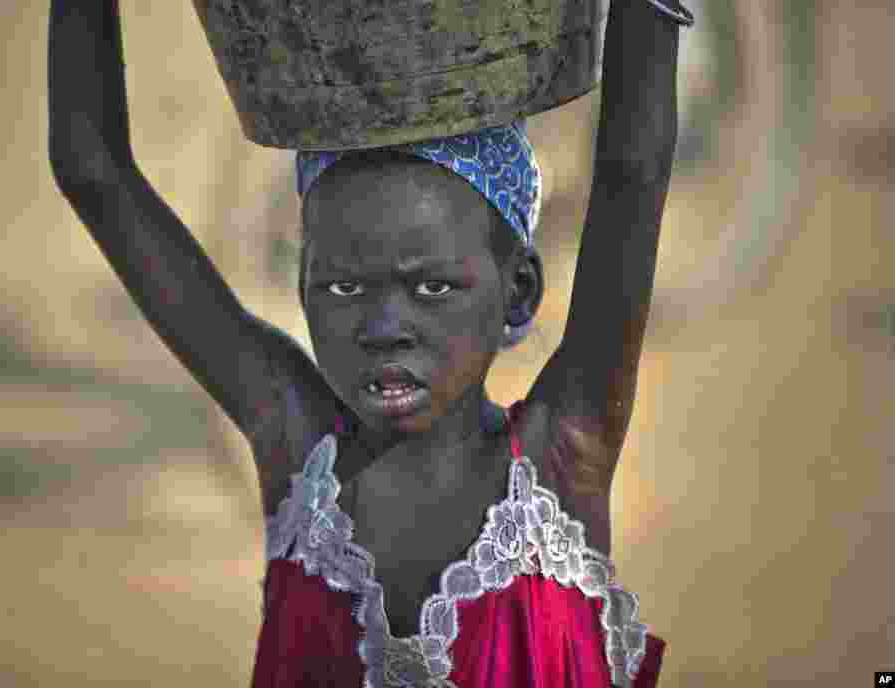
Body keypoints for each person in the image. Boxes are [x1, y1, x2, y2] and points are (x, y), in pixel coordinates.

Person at [48, 0, 692, 685]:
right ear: (300, 286)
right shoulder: (297, 448)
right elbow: (94, 173)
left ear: (518, 291)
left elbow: (632, 172)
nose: (385, 328)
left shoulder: (563, 453)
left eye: (433, 288)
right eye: (345, 289)